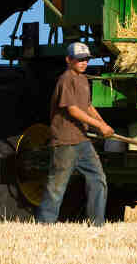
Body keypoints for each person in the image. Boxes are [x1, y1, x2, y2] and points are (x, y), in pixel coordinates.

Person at [35, 42, 114, 226]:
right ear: (68, 60)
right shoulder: (66, 79)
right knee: (57, 186)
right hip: (65, 141)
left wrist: (103, 124)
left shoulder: (83, 80)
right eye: (79, 59)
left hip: (82, 140)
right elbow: (73, 110)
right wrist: (98, 126)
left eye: (86, 59)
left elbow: (87, 106)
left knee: (98, 179)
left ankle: (97, 224)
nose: (83, 63)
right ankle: (45, 224)